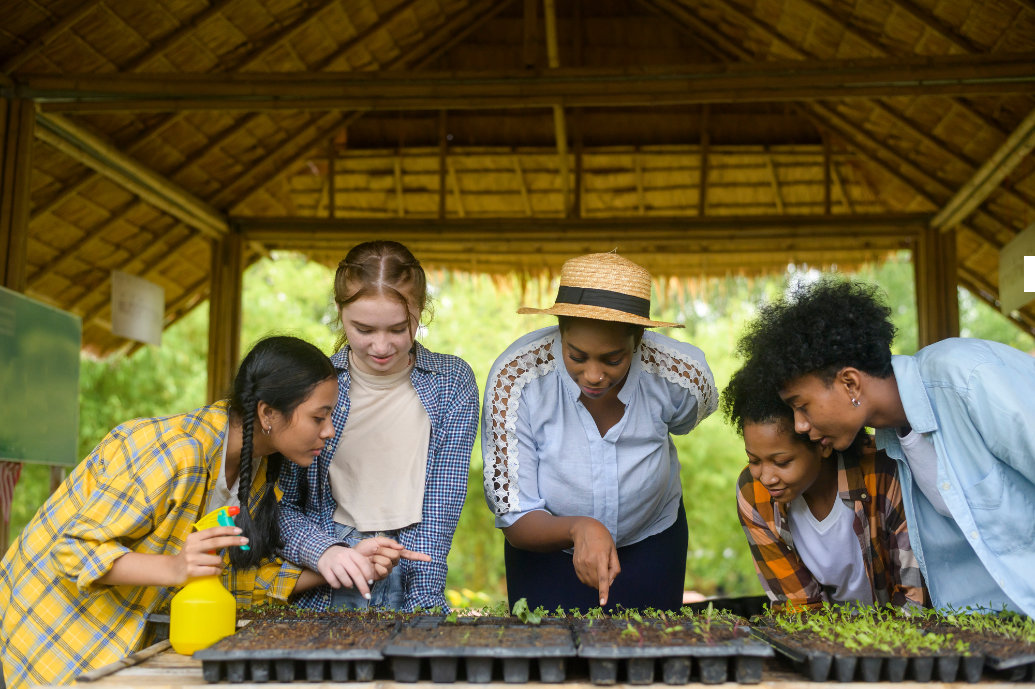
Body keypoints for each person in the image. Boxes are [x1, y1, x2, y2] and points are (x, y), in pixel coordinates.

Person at [0, 336, 417, 689]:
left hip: (112, 644)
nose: (328, 431)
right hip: (43, 634)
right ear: (268, 413)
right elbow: (71, 550)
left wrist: (341, 565)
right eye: (319, 417)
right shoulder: (174, 452)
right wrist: (175, 568)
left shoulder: (253, 475)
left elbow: (229, 580)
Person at [736, 276, 1035, 616]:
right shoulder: (891, 451)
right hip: (989, 631)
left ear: (850, 383)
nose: (800, 425)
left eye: (801, 405)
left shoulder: (966, 377)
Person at [482, 252, 717, 611]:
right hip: (546, 552)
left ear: (638, 340)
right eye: (577, 357)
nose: (594, 375)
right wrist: (578, 528)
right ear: (559, 331)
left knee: (647, 655)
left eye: (612, 359)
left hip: (652, 542)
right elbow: (514, 515)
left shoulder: (681, 378)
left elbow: (686, 420)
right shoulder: (516, 380)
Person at [279, 241, 479, 612]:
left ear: (420, 312)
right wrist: (327, 553)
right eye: (364, 329)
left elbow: (442, 505)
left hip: (415, 560)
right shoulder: (311, 385)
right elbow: (281, 505)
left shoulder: (452, 382)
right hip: (327, 571)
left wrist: (424, 604)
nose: (382, 345)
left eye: (399, 329)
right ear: (340, 313)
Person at [722, 360, 925, 612]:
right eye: (753, 460)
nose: (766, 477)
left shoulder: (883, 471)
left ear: (822, 444)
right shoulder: (753, 492)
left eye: (782, 461)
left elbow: (914, 600)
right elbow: (798, 606)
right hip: (827, 640)